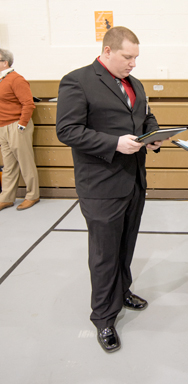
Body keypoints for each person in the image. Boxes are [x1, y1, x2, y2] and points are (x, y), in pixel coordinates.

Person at [56, 26, 164, 353]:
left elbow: (145, 117)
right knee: (104, 253)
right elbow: (68, 130)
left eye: (136, 58)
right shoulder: (77, 81)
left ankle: (122, 291)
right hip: (101, 184)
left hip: (133, 180)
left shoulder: (135, 84)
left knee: (126, 244)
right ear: (106, 51)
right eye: (127, 57)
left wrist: (154, 134)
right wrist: (114, 143)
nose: (133, 63)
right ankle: (103, 316)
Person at [0, 49, 40, 211]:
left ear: (5, 62)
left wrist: (21, 124)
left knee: (25, 163)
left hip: (17, 125)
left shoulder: (16, 80)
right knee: (8, 165)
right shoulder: (2, 80)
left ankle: (32, 195)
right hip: (3, 127)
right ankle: (7, 197)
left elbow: (28, 103)